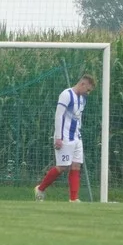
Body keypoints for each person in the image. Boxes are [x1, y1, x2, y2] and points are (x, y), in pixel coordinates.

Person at [34, 74, 94, 202]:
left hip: (77, 137)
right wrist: (58, 137)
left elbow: (79, 117)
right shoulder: (66, 94)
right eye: (87, 89)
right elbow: (59, 115)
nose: (88, 93)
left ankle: (73, 199)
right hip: (65, 137)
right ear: (82, 84)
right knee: (62, 167)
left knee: (76, 166)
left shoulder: (83, 99)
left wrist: (79, 131)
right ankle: (40, 189)